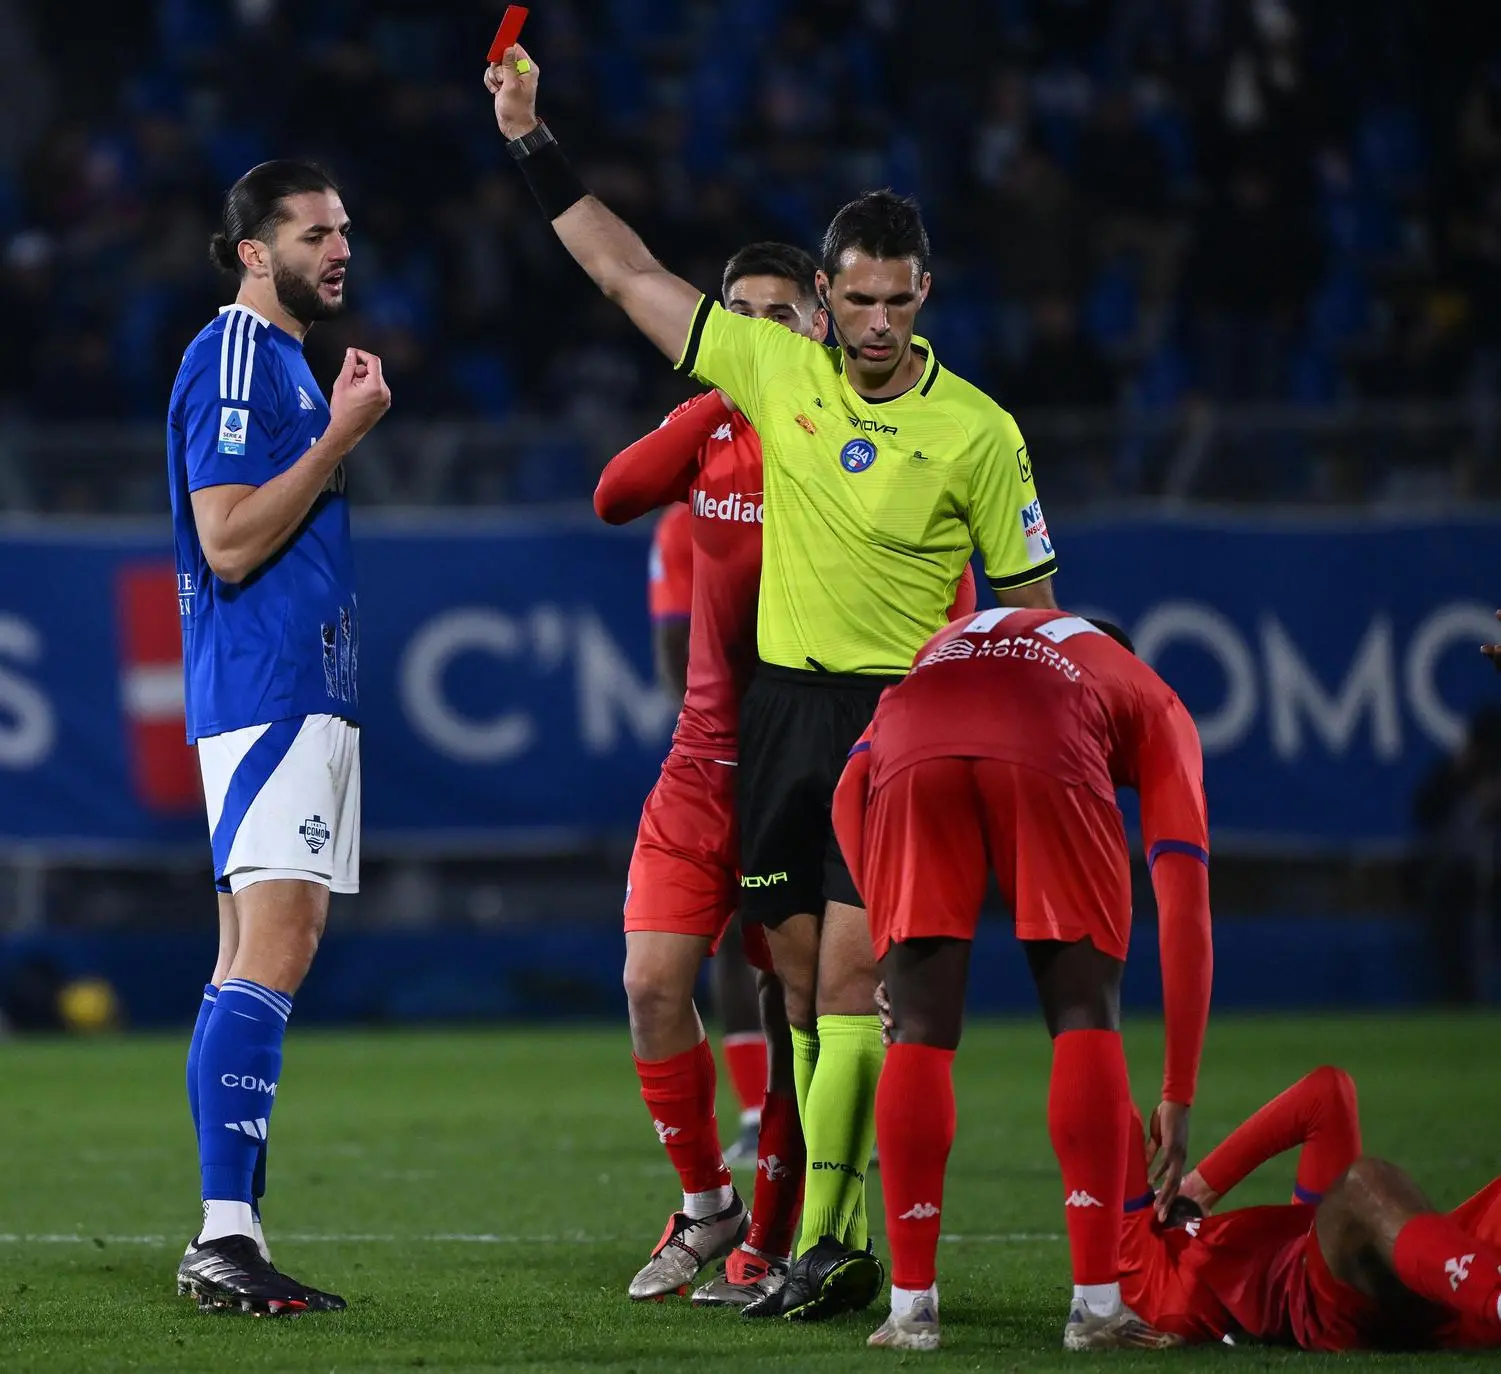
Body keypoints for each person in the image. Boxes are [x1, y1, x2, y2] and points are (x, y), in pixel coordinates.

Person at [485, 46, 1046, 1320]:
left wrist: (1019, 729)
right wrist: (532, 141)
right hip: (779, 714)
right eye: (857, 301)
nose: (878, 324)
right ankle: (789, 1226)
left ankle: (835, 1237)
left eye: (900, 301)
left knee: (851, 986)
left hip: (893, 728)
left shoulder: (981, 431)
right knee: (793, 987)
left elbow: (1030, 610)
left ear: (924, 293)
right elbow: (624, 270)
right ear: (827, 297)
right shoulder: (772, 369)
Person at [833, 607, 1213, 1351]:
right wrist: (1178, 1088)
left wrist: (886, 935)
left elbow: (850, 787)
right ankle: (1097, 1309)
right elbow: (1185, 908)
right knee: (1082, 1013)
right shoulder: (1152, 698)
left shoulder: (951, 639)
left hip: (914, 732)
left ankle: (910, 1312)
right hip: (1046, 731)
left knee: (918, 1030)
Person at [168, 160, 390, 1315]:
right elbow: (230, 542)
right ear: (255, 252)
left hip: (289, 687)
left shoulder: (285, 362)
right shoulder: (242, 357)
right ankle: (224, 1233)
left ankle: (230, 1232)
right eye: (312, 233)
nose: (337, 247)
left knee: (243, 959)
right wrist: (342, 434)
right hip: (268, 686)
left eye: (343, 228)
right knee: (278, 944)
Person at [598, 243, 828, 1306]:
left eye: (777, 316)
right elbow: (614, 494)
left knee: (801, 1025)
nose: (754, 333)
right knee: (652, 985)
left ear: (819, 322)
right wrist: (713, 402)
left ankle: (781, 1238)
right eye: (735, 315)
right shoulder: (715, 433)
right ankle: (706, 1207)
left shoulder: (850, 440)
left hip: (806, 774)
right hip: (702, 768)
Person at [1119, 1066, 1501, 1353]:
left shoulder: (1192, 1236)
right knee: (1362, 1183)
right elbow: (1109, 1111)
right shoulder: (1144, 1265)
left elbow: (1325, 1095)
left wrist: (1195, 1188)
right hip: (1317, 1306)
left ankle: (1483, 1289)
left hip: (1351, 1271)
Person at [647, 501, 771, 1166]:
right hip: (740, 750)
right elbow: (675, 646)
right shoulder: (682, 523)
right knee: (742, 928)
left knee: (827, 929)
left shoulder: (815, 483)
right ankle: (760, 1111)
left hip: (818, 733)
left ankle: (824, 1104)